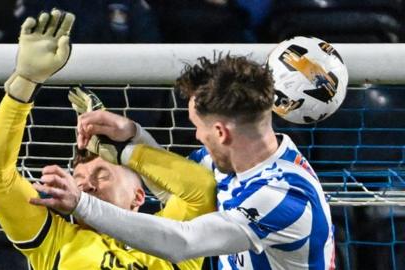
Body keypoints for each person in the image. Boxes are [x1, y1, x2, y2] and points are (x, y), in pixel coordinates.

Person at [33, 55, 336, 269]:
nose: (195, 135)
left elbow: (182, 241)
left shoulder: (283, 198)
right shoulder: (225, 160)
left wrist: (81, 204)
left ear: (220, 132)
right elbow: (178, 196)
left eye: (197, 126)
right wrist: (130, 137)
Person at [0, 9, 216, 270]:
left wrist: (127, 149)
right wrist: (24, 85)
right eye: (77, 180)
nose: (86, 186)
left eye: (102, 175)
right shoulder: (56, 241)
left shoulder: (172, 238)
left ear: (138, 196)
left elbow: (201, 189)